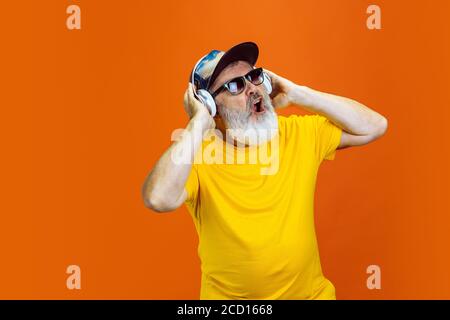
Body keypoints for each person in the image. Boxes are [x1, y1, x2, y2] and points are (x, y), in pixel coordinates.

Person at [142, 42, 388, 299]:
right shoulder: (198, 155)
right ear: (211, 107)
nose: (251, 88)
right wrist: (198, 122)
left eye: (254, 77)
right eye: (235, 85)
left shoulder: (297, 133)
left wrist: (298, 94)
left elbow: (374, 126)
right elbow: (158, 198)